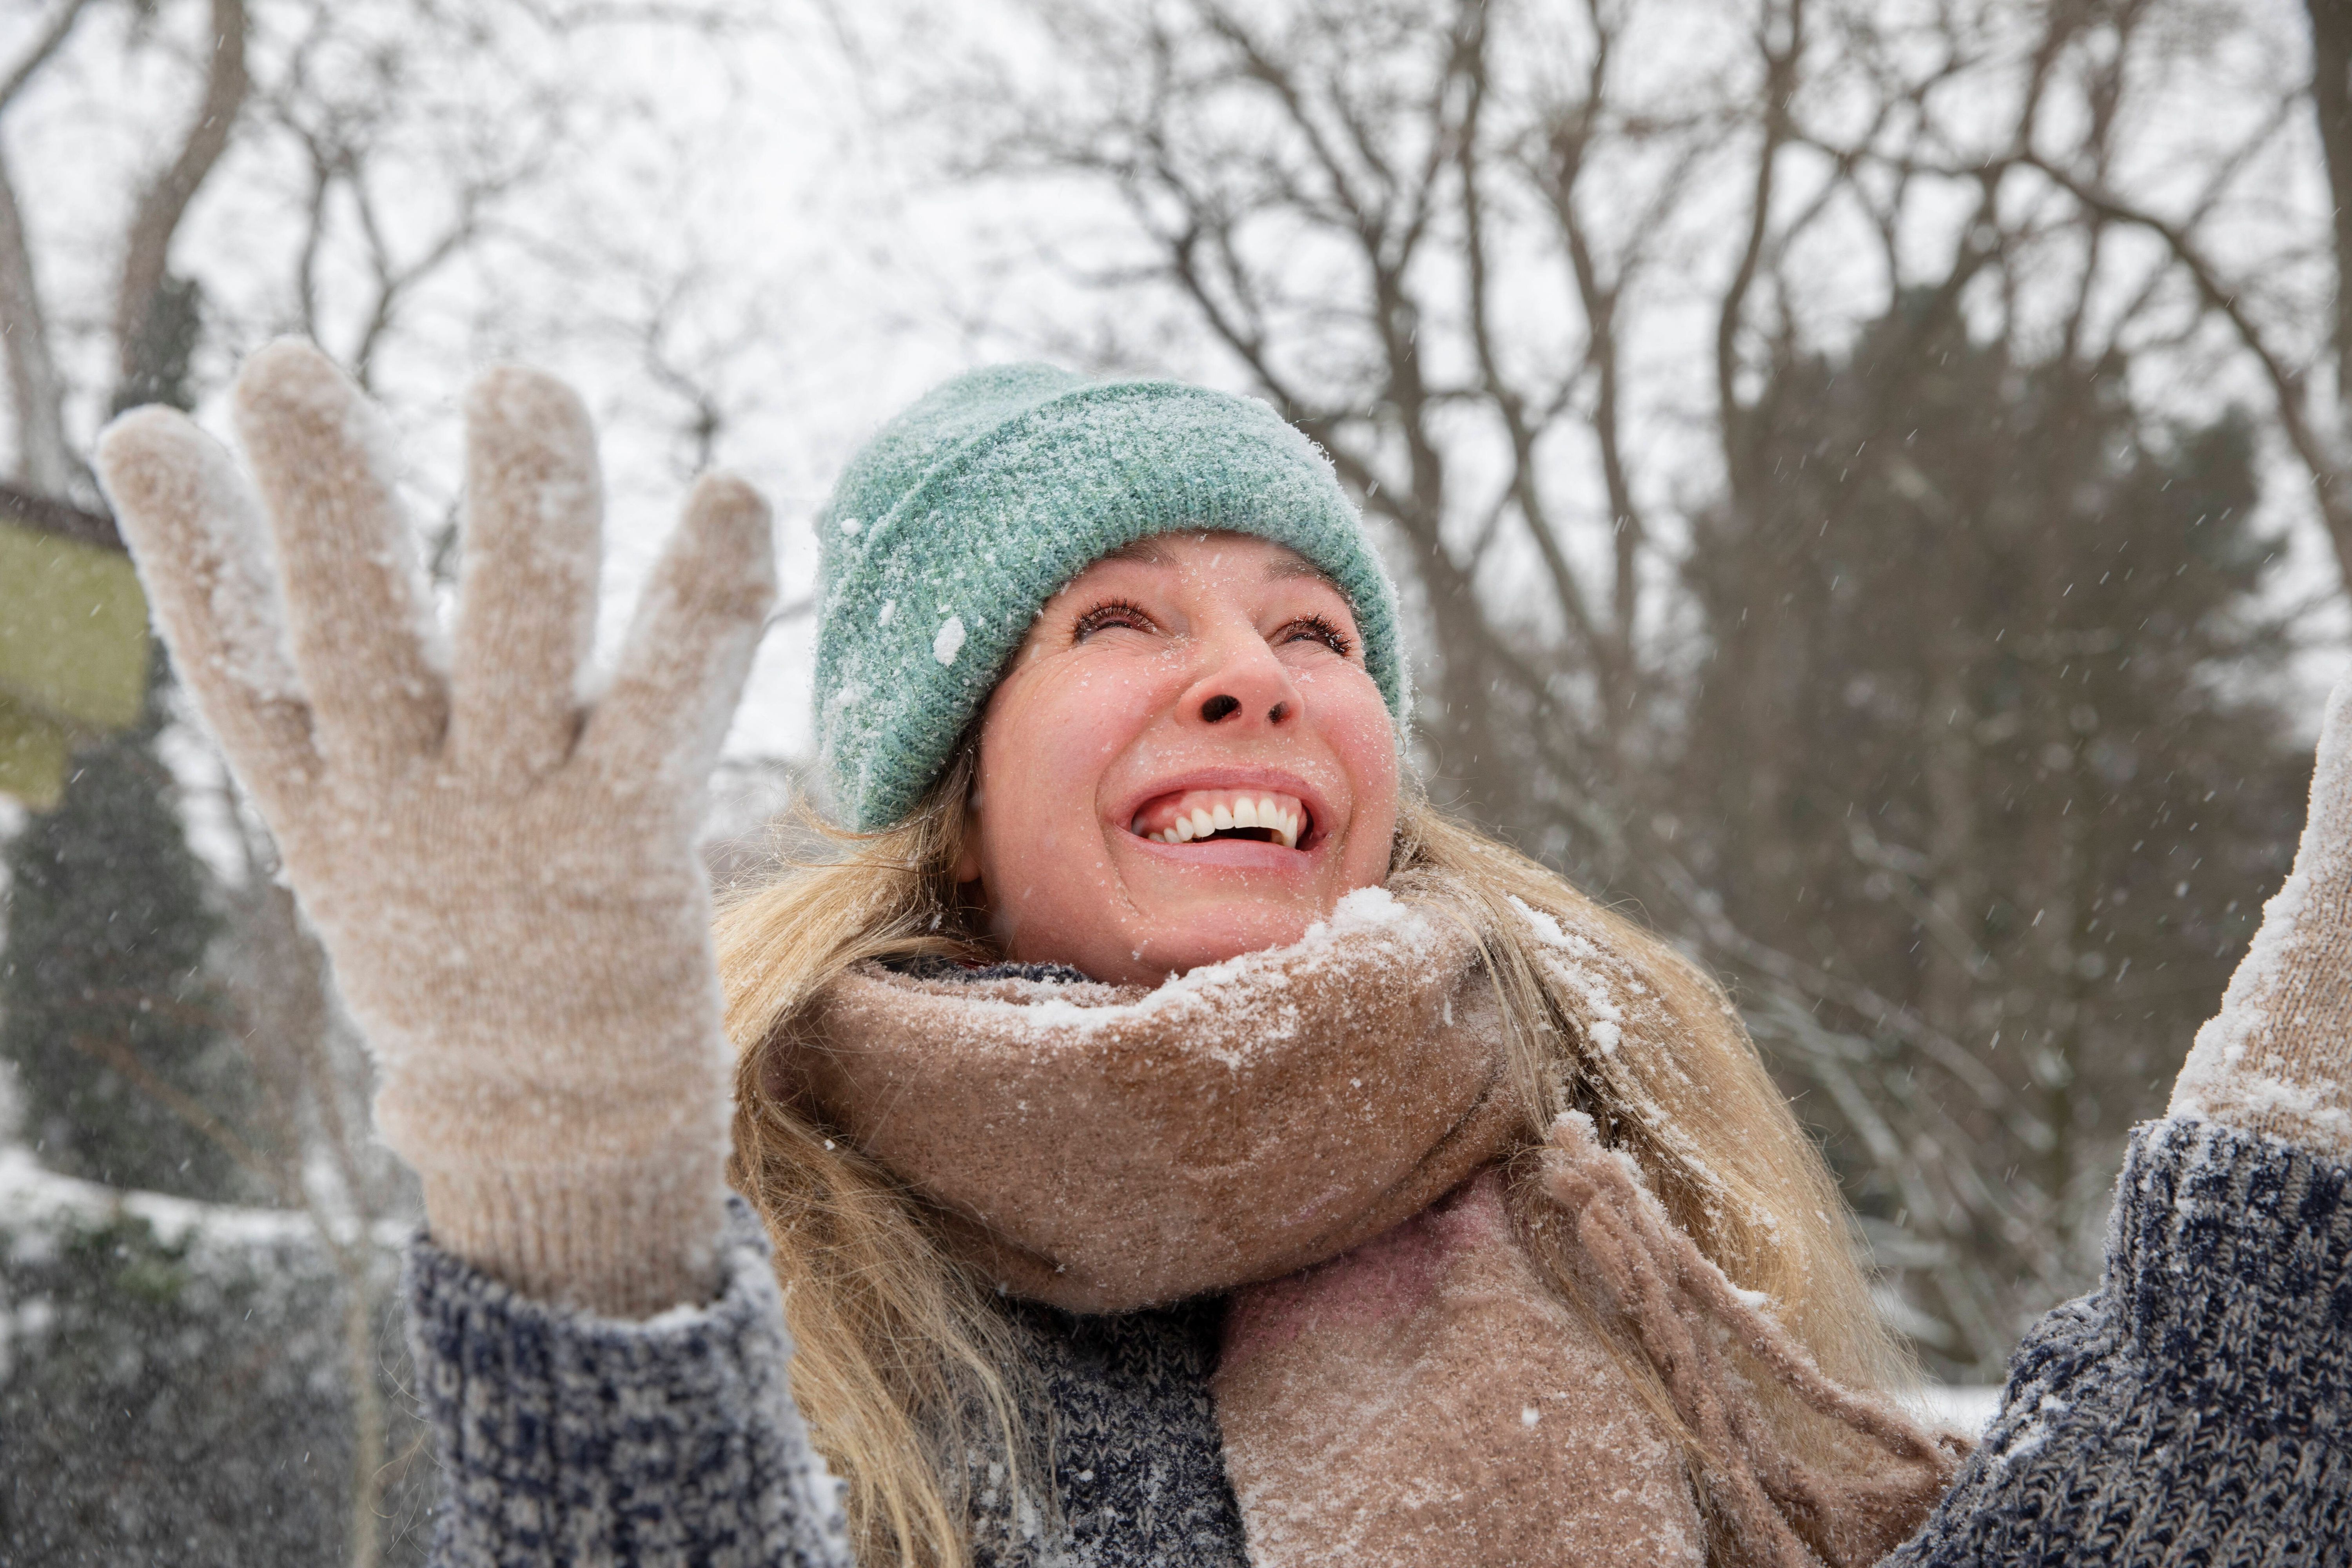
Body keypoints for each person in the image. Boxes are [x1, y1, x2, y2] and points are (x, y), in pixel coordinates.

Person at [96, 342, 2350, 1568]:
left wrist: (2313, 1118)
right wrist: (568, 1202)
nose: (1254, 676)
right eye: (1119, 624)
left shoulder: (1607, 1206)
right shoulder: (798, 1307)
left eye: (1314, 631)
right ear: (956, 808)